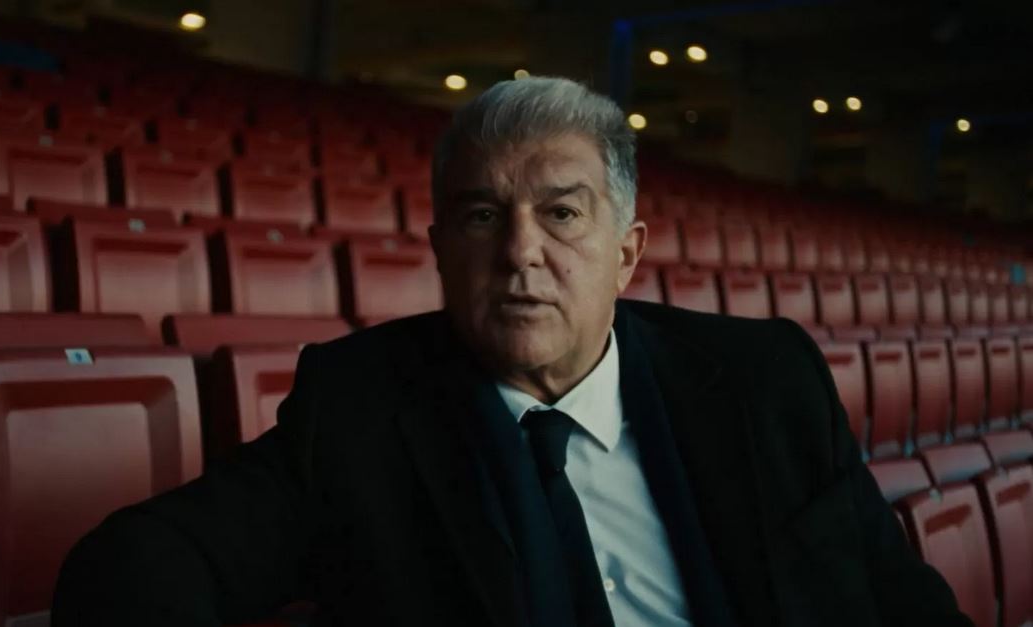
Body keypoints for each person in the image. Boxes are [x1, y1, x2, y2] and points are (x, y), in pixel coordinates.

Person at [52, 77, 971, 627]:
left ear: (626, 253)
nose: (520, 251)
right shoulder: (359, 407)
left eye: (561, 213)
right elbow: (137, 563)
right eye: (482, 216)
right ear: (440, 250)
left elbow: (901, 603)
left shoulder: (765, 381)